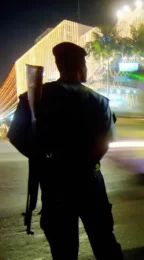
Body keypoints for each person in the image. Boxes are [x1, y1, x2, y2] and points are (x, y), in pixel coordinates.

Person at [7, 42, 123, 260]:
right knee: (105, 244)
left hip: (55, 184)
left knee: (63, 251)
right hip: (90, 182)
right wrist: (83, 162)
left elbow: (16, 136)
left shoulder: (35, 98)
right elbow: (106, 141)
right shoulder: (98, 101)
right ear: (81, 66)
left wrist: (45, 157)